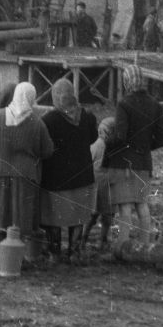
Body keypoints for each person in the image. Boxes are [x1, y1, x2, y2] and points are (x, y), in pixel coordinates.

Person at [0, 82, 54, 262]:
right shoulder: (37, 122)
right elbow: (48, 150)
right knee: (20, 216)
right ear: (32, 98)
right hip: (25, 176)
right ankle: (17, 258)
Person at [108, 64, 163, 255]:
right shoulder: (155, 105)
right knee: (142, 205)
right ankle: (145, 246)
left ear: (127, 82)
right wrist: (145, 147)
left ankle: (123, 246)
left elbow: (120, 136)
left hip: (125, 163)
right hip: (144, 162)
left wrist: (107, 145)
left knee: (125, 206)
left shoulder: (124, 104)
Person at [40, 79, 98, 264]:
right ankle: (74, 252)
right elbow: (93, 138)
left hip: (55, 177)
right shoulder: (88, 116)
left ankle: (54, 253)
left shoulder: (49, 119)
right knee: (78, 216)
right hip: (82, 174)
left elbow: (44, 146)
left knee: (53, 216)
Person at [80, 115, 118, 255]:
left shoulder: (96, 145)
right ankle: (102, 240)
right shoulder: (113, 146)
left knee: (93, 214)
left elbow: (87, 162)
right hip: (108, 184)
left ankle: (84, 239)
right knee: (107, 215)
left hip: (98, 184)